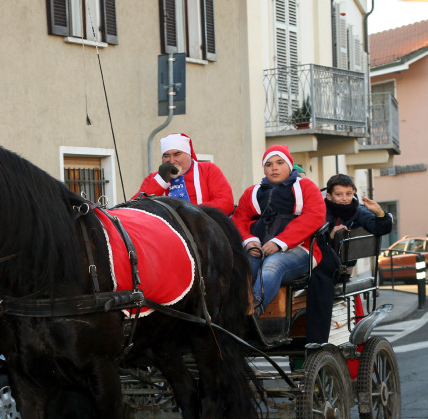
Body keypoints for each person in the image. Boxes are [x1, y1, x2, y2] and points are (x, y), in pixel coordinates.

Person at [232, 144, 326, 316]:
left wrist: (279, 242)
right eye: (269, 164)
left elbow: (315, 216)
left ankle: (250, 315)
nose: (274, 168)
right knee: (240, 267)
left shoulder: (305, 187)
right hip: (257, 249)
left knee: (272, 265)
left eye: (279, 162)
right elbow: (239, 219)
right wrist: (248, 241)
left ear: (289, 165)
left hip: (300, 249)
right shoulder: (252, 192)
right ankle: (228, 313)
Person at [304, 173, 393, 343]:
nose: (344, 199)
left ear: (354, 193)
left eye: (348, 194)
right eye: (339, 194)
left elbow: (381, 227)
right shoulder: (320, 210)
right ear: (329, 196)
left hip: (340, 268)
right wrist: (330, 235)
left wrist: (379, 212)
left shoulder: (357, 210)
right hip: (316, 261)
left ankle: (318, 341)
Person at [132, 133, 234, 215]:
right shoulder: (154, 178)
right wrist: (161, 181)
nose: (171, 161)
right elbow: (134, 208)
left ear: (188, 155)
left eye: (177, 154)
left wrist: (191, 211)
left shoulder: (207, 169)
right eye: (166, 156)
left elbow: (226, 203)